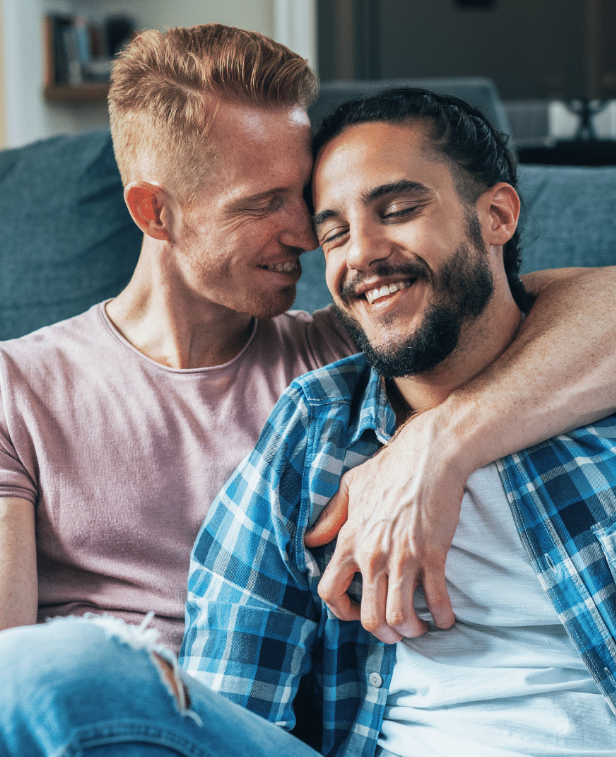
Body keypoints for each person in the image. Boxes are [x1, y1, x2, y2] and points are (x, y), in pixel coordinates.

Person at [1, 87, 615, 757]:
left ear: (497, 214)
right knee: (52, 672)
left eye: (400, 209)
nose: (358, 253)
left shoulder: (588, 378)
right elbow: (228, 706)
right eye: (333, 232)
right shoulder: (313, 423)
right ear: (156, 212)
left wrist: (436, 448)